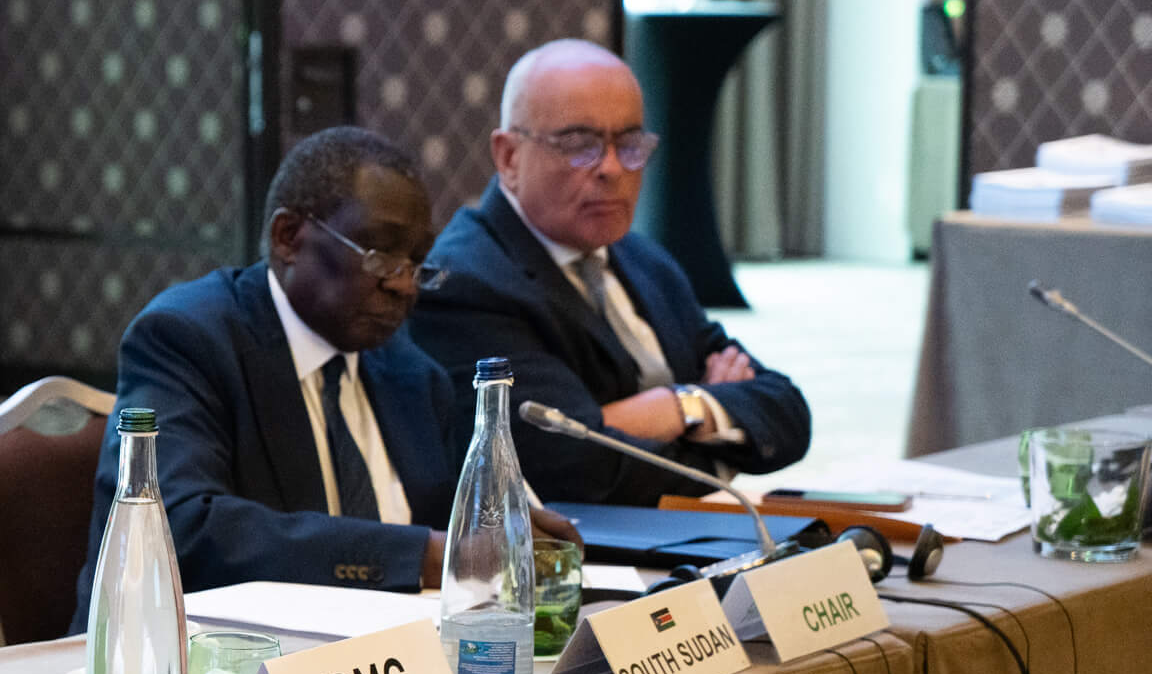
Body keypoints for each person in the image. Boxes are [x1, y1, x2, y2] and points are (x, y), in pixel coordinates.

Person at [71, 126, 576, 627]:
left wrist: (500, 525)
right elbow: (175, 529)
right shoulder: (187, 339)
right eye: (380, 257)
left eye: (417, 263)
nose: (403, 285)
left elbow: (454, 523)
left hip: (386, 671)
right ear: (289, 237)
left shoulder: (410, 373)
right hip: (189, 673)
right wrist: (423, 556)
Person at [410, 39, 811, 505]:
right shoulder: (465, 282)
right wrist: (712, 430)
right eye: (580, 146)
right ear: (509, 157)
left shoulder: (642, 259)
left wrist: (681, 406)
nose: (613, 169)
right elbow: (570, 464)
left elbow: (787, 413)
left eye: (630, 144)